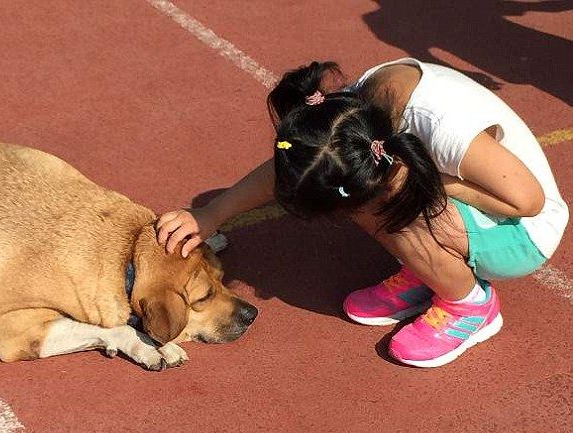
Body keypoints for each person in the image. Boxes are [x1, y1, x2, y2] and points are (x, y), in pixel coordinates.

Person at [156, 58, 568, 367]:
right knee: (362, 195)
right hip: (467, 202)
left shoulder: (440, 126)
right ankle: (428, 269)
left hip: (525, 231)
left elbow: (528, 202)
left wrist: (418, 178)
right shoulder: (348, 121)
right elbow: (302, 162)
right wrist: (211, 213)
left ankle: (469, 305)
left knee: (386, 204)